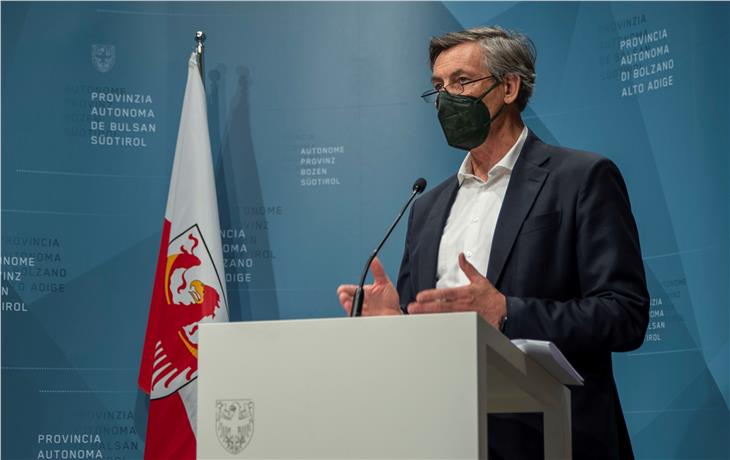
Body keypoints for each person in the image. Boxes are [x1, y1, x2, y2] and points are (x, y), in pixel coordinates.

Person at [337, 26, 649, 459]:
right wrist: (398, 322)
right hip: (445, 437)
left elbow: (624, 314)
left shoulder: (580, 179)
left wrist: (506, 312)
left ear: (508, 87)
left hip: (553, 438)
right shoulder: (426, 207)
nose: (446, 98)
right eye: (438, 87)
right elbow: (434, 331)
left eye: (462, 81)